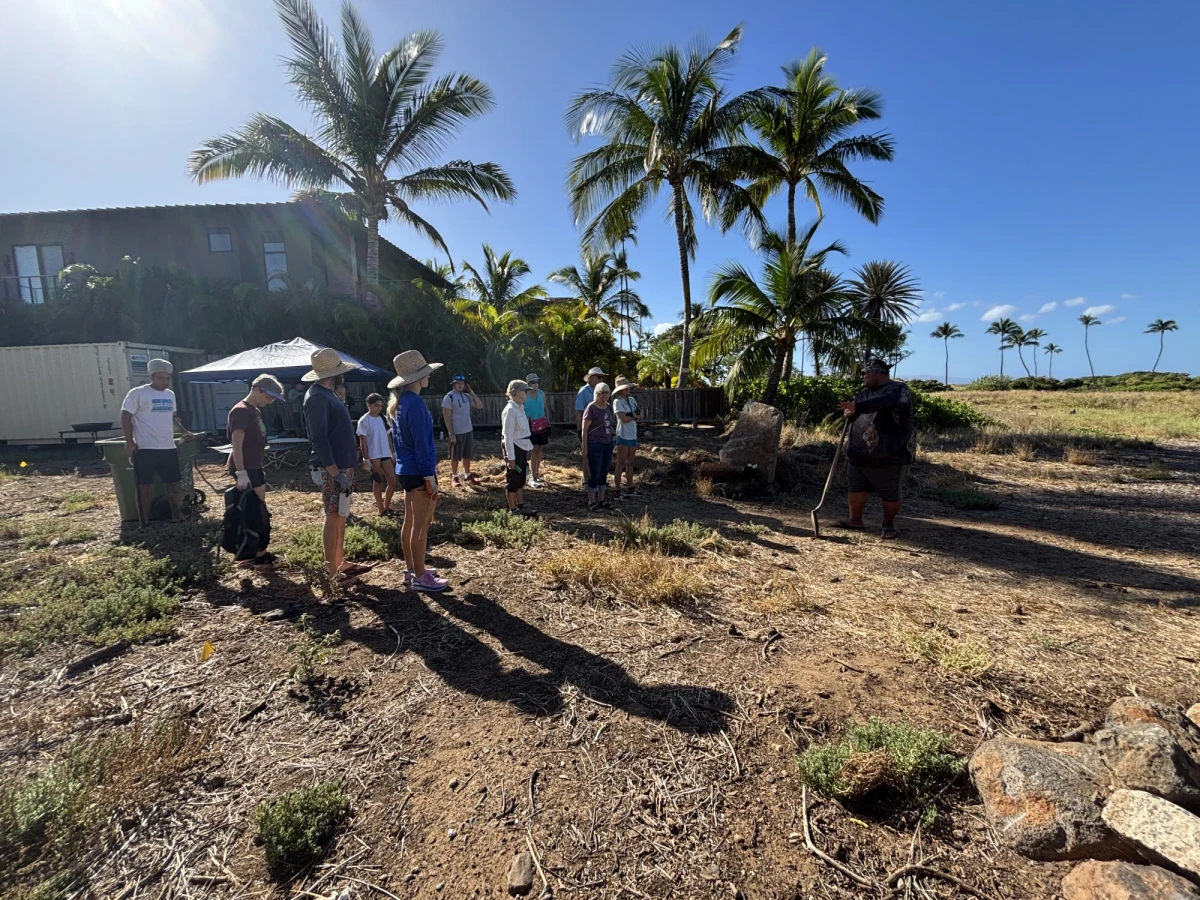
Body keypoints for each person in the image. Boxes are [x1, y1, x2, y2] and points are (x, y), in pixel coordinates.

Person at [302, 348, 367, 583]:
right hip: (333, 468)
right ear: (334, 374)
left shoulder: (327, 394)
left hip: (343, 467)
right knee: (333, 515)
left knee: (341, 514)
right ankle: (332, 571)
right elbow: (318, 438)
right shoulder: (317, 398)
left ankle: (340, 562)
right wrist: (334, 472)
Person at [835, 357, 916, 540]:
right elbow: (856, 413)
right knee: (856, 487)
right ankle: (855, 520)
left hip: (889, 453)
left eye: (866, 373)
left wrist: (857, 406)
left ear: (879, 373)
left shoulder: (898, 389)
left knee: (889, 491)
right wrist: (850, 412)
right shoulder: (863, 392)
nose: (862, 377)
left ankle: (888, 523)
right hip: (859, 452)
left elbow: (883, 401)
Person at [389, 350, 449, 592]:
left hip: (405, 469)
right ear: (417, 378)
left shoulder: (401, 403)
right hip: (418, 470)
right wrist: (429, 475)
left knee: (410, 522)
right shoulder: (415, 403)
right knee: (421, 526)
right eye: (426, 374)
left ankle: (413, 569)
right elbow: (422, 443)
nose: (429, 377)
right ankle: (421, 577)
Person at [120, 358, 196, 526]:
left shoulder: (170, 395)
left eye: (167, 378)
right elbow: (126, 416)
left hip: (168, 447)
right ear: (152, 377)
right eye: (161, 378)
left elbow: (172, 419)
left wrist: (184, 431)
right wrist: (129, 441)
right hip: (145, 447)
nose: (165, 382)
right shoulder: (137, 393)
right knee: (143, 485)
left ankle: (177, 515)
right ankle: (143, 520)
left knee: (173, 483)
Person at [227, 373, 286, 565]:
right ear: (256, 389)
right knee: (256, 511)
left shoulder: (254, 410)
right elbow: (236, 444)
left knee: (256, 509)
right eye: (268, 397)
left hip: (254, 465)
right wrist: (241, 472)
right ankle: (256, 552)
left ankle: (258, 551)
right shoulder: (241, 411)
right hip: (246, 467)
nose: (269, 402)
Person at [357, 393, 398, 517]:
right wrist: (366, 458)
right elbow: (362, 442)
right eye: (376, 405)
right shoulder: (364, 420)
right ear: (368, 405)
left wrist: (393, 453)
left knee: (392, 481)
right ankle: (380, 509)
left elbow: (388, 436)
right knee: (378, 481)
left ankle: (386, 506)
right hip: (373, 454)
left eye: (380, 406)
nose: (378, 408)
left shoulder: (382, 418)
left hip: (385, 453)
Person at [501, 380, 537, 518]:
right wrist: (511, 458)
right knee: (513, 479)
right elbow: (507, 436)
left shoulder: (519, 407)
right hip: (514, 448)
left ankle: (521, 506)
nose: (526, 393)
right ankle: (512, 509)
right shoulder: (510, 410)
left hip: (522, 446)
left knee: (521, 478)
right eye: (524, 391)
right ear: (516, 392)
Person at [441, 374, 483, 487]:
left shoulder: (466, 396)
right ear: (454, 384)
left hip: (468, 430)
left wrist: (472, 392)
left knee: (467, 454)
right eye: (458, 383)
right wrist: (451, 433)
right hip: (456, 431)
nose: (460, 386)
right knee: (455, 456)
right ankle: (454, 477)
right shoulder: (449, 397)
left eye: (462, 384)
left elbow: (479, 405)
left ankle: (468, 474)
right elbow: (446, 416)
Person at [581, 382, 616, 511]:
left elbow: (609, 424)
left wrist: (613, 435)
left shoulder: (608, 407)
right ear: (596, 393)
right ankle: (592, 501)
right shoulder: (591, 408)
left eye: (606, 392)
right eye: (602, 393)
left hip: (608, 443)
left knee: (604, 472)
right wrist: (584, 447)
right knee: (594, 473)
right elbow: (584, 430)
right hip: (594, 443)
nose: (604, 395)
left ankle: (601, 499)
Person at [612, 376, 643, 498]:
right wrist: (634, 416)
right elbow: (623, 418)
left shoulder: (632, 400)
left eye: (628, 387)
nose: (627, 389)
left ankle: (631, 487)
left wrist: (633, 416)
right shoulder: (617, 401)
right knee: (621, 463)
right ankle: (617, 490)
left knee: (630, 462)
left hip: (632, 434)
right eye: (624, 388)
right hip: (623, 434)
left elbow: (640, 413)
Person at [522, 373, 550, 487]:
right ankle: (532, 476)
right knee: (534, 450)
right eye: (533, 382)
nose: (535, 384)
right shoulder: (524, 396)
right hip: (529, 425)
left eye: (537, 382)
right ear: (528, 384)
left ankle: (537, 473)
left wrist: (549, 423)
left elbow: (545, 409)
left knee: (539, 449)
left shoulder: (541, 394)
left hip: (542, 424)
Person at [574, 366, 607, 431]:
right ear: (591, 378)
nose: (601, 379)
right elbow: (578, 412)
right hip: (589, 428)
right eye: (599, 377)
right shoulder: (583, 392)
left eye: (602, 377)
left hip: (601, 428)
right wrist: (580, 430)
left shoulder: (600, 391)